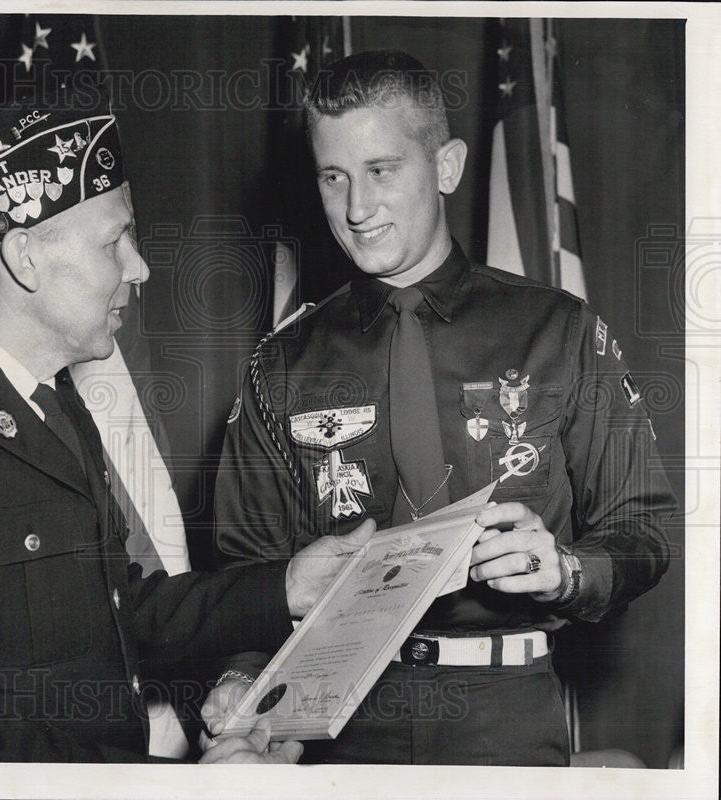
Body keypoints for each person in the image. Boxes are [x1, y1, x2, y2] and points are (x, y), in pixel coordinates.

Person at [0, 96, 376, 763]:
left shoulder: (53, 401)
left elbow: (116, 604)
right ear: (25, 260)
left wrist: (285, 587)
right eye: (113, 241)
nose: (140, 267)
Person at [207, 50, 676, 765]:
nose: (356, 209)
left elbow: (644, 527)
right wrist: (242, 674)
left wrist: (566, 570)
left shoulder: (559, 331)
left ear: (448, 167)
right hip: (335, 721)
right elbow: (245, 570)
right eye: (334, 176)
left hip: (506, 710)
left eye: (382, 171)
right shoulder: (281, 362)